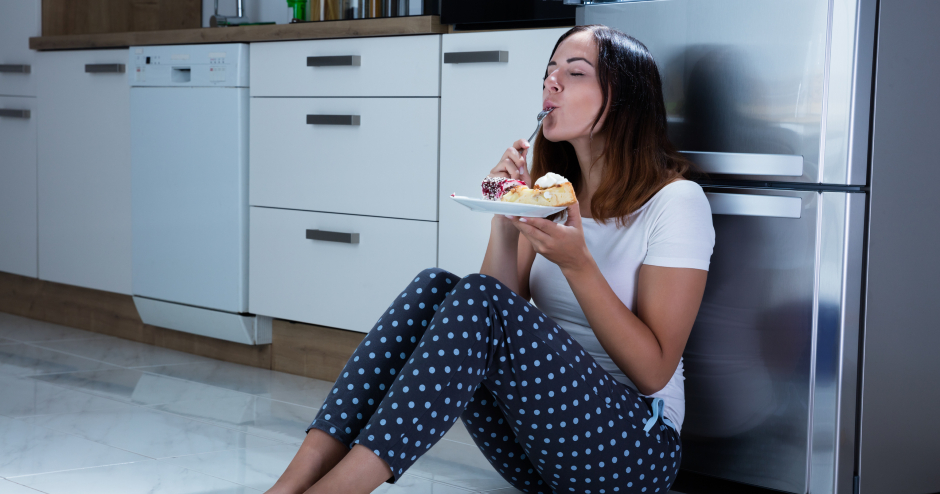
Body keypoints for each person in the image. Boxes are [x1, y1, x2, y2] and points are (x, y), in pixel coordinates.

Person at [265, 24, 714, 494]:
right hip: (539, 455)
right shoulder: (554, 194)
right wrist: (505, 214)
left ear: (624, 99)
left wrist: (578, 265)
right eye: (549, 72)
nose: (552, 83)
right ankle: (288, 487)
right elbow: (492, 313)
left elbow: (654, 372)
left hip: (634, 454)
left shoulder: (676, 202)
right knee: (437, 287)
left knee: (475, 295)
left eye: (575, 73)